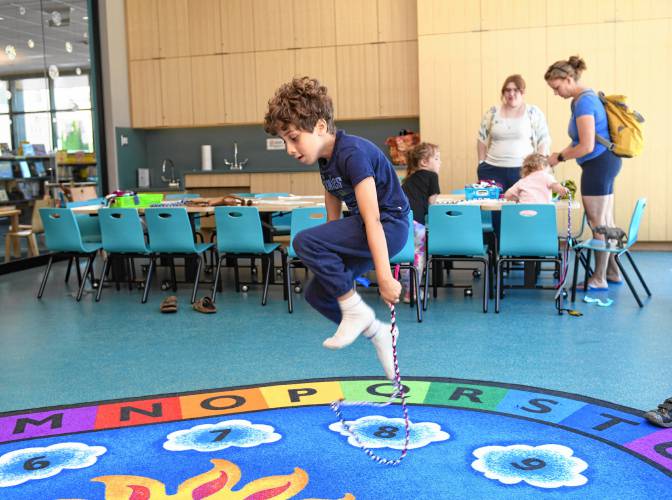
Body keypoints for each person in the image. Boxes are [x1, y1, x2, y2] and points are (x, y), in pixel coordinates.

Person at [263, 77, 410, 380]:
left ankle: (356, 311)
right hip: (367, 229)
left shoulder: (352, 153)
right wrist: (332, 238)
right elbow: (333, 195)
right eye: (284, 142)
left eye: (293, 138)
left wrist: (384, 277)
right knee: (317, 294)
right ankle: (377, 332)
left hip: (388, 227)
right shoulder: (326, 157)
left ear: (319, 127)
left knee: (303, 242)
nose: (289, 149)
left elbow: (373, 219)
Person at [545, 56, 623, 290]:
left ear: (569, 79)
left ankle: (598, 279)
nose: (556, 93)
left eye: (557, 87)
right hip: (604, 163)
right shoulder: (581, 99)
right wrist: (561, 154)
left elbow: (586, 146)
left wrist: (559, 157)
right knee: (606, 221)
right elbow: (580, 141)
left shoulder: (584, 103)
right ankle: (612, 272)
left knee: (598, 222)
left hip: (598, 164)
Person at [477, 74, 551, 192]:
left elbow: (544, 140)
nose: (511, 94)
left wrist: (539, 167)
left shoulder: (533, 112)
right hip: (492, 170)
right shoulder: (492, 112)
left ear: (523, 92)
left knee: (523, 208)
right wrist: (481, 163)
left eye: (515, 90)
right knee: (494, 208)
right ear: (503, 93)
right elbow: (481, 139)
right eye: (508, 90)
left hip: (524, 171)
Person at [400, 142, 441, 303]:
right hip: (417, 224)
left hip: (402, 221)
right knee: (418, 255)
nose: (440, 162)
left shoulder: (408, 179)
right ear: (424, 162)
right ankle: (415, 292)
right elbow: (433, 205)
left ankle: (408, 292)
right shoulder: (432, 176)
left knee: (405, 256)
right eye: (437, 158)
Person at [504, 153, 569, 203]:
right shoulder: (546, 177)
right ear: (543, 166)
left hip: (523, 217)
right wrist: (562, 190)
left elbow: (507, 195)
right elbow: (555, 186)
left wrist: (518, 199)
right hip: (543, 216)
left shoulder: (522, 181)